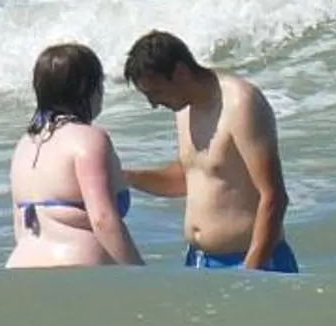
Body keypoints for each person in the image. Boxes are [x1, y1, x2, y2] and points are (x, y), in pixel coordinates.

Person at [121, 32, 295, 272]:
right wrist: (129, 178)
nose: (153, 104)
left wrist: (251, 272)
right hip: (198, 262)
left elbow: (274, 196)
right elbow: (190, 179)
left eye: (156, 93)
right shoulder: (184, 110)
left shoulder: (240, 103)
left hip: (251, 262)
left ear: (181, 72)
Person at [7, 43, 142, 269]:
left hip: (20, 270)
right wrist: (141, 276)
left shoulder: (24, 146)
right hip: (74, 270)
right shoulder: (89, 139)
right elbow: (103, 220)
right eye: (99, 83)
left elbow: (20, 227)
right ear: (85, 87)